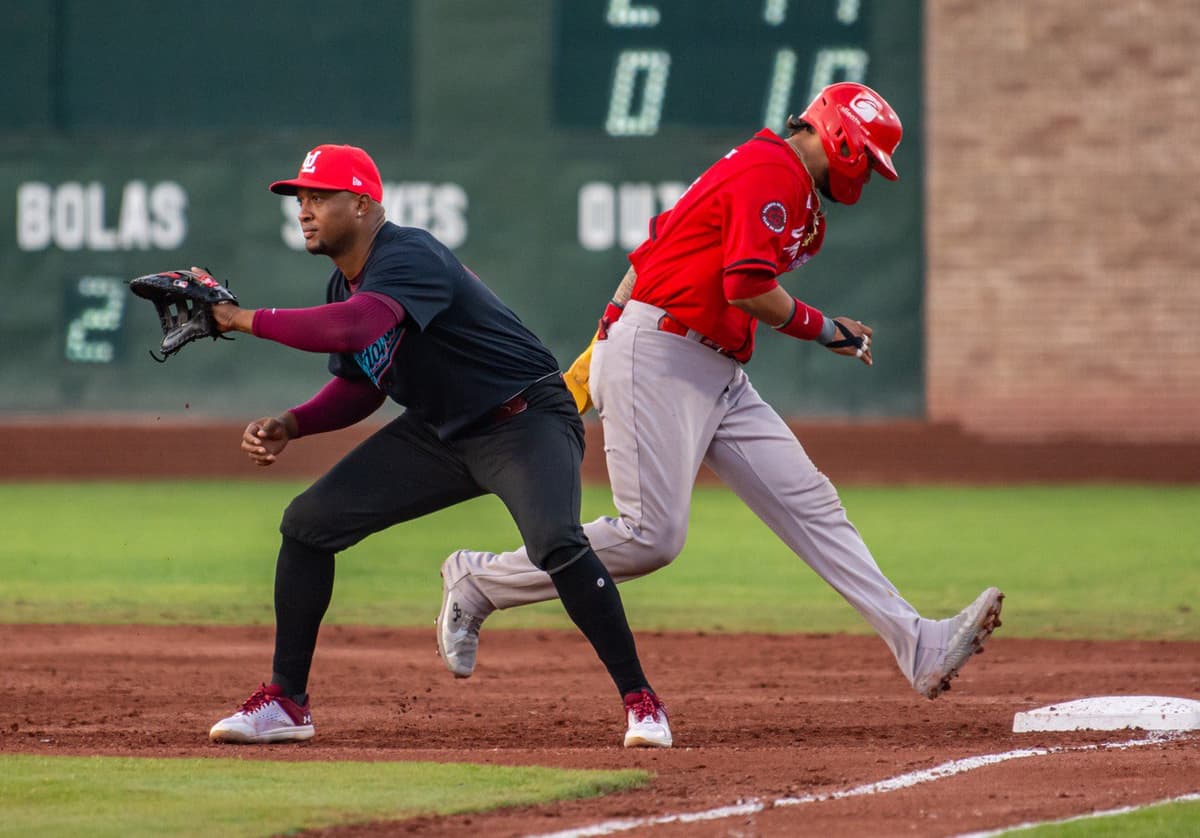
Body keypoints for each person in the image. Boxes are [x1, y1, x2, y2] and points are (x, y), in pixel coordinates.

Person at [436, 83, 1004, 703]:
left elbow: (660, 240)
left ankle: (918, 645)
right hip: (661, 354)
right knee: (652, 536)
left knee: (810, 502)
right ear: (838, 136)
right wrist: (825, 329)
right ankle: (480, 581)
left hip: (716, 368)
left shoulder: (784, 185)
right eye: (865, 157)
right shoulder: (772, 171)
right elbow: (746, 287)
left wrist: (609, 321)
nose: (867, 174)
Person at [206, 143, 671, 748]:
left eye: (320, 197)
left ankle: (642, 701)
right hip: (441, 433)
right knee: (307, 525)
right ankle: (286, 703)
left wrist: (241, 319)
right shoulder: (343, 283)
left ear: (365, 204)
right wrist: (293, 424)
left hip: (523, 419)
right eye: (301, 198)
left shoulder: (409, 253)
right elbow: (359, 388)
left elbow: (356, 327)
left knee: (556, 541)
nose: (305, 210)